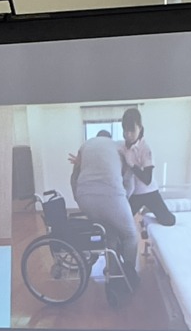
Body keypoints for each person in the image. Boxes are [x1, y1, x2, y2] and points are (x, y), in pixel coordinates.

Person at [70, 131, 139, 287]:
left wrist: (78, 198)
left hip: (85, 197)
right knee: (130, 235)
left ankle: (113, 271)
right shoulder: (119, 147)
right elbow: (129, 179)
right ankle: (127, 277)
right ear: (109, 138)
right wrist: (124, 200)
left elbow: (74, 177)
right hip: (112, 196)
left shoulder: (85, 146)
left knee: (109, 234)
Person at [120, 108, 176, 226]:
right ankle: (147, 209)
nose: (128, 134)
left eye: (132, 130)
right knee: (122, 220)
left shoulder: (145, 148)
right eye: (125, 130)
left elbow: (147, 179)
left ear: (140, 128)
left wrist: (132, 165)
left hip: (149, 191)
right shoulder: (124, 147)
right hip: (135, 193)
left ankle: (150, 209)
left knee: (169, 221)